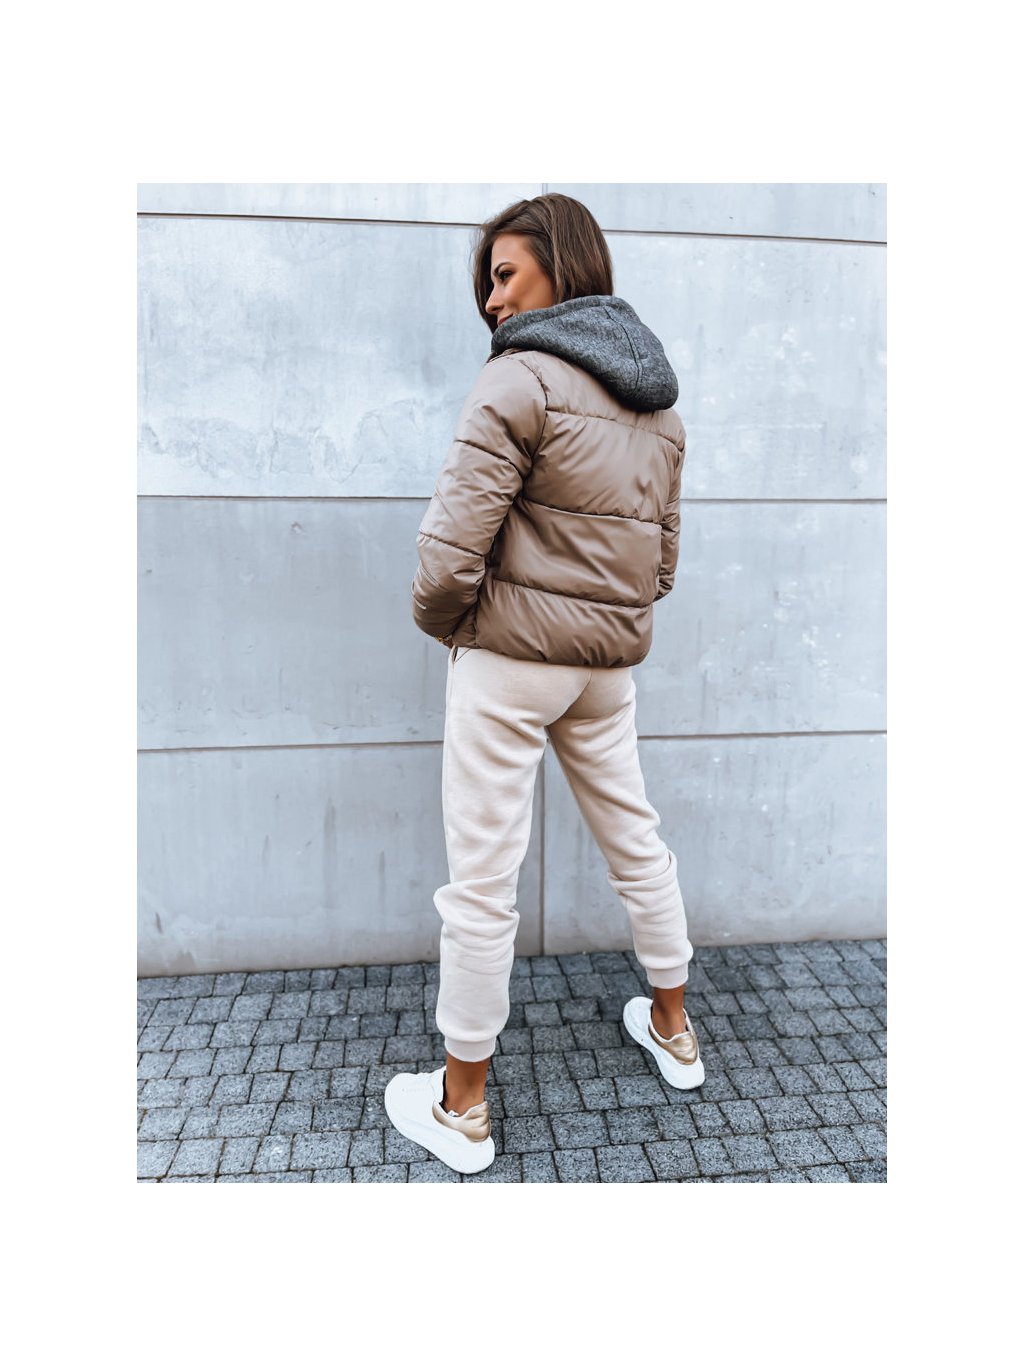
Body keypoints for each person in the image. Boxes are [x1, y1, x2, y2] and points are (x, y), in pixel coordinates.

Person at [384, 193, 703, 1176]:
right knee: (636, 841)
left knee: (482, 883)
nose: (491, 299)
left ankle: (462, 1107)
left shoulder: (517, 377)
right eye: (488, 282)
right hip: (601, 672)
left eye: (504, 274)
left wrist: (454, 626)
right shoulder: (659, 409)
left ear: (562, 266)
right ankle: (674, 1027)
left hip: (510, 662)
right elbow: (659, 568)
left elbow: (450, 551)